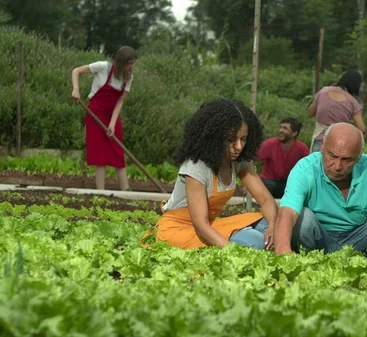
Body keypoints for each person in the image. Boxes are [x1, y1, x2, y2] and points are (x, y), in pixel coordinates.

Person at [141, 98, 277, 250]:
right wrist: (232, 252)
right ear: (215, 137)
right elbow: (200, 225)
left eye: (243, 139)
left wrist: (272, 226)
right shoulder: (196, 166)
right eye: (231, 140)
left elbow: (265, 200)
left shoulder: (239, 161)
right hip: (180, 231)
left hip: (210, 225)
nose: (238, 146)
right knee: (256, 241)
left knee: (270, 224)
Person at [273, 123, 367, 258]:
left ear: (359, 155)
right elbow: (288, 212)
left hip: (358, 236)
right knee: (303, 219)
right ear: (322, 146)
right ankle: (308, 261)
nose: (337, 166)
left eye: (347, 160)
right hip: (318, 235)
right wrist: (284, 255)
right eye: (332, 156)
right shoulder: (305, 169)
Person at [71, 46, 137, 191]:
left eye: (133, 63)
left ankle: (127, 192)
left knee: (118, 152)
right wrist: (76, 89)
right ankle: (100, 193)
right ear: (122, 62)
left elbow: (120, 101)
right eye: (130, 63)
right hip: (95, 114)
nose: (132, 66)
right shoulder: (103, 67)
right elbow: (76, 71)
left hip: (112, 116)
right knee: (99, 156)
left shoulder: (129, 78)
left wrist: (113, 124)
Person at [307, 69, 367, 153]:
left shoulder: (323, 92)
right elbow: (362, 129)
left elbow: (310, 112)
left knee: (316, 165)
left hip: (319, 141)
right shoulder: (353, 102)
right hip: (339, 143)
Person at [256, 117, 309, 198]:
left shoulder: (302, 148)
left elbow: (308, 168)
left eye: (285, 128)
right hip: (270, 181)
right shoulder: (270, 144)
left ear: (294, 133)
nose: (280, 130)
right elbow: (253, 159)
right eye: (280, 127)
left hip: (289, 184)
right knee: (267, 184)